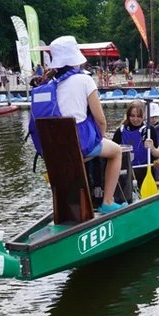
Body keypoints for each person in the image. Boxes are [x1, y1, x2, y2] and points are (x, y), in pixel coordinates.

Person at [30, 35, 126, 213]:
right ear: (75, 59)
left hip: (52, 152)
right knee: (116, 151)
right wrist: (100, 137)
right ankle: (107, 201)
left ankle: (64, 210)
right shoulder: (85, 80)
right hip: (78, 147)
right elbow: (100, 120)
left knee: (76, 156)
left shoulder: (49, 84)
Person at [112, 100, 158, 188]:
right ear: (128, 115)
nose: (135, 119)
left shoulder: (149, 130)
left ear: (144, 116)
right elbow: (113, 152)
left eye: (139, 116)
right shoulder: (120, 131)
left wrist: (152, 149)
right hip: (126, 170)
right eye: (132, 116)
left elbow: (156, 156)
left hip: (145, 169)